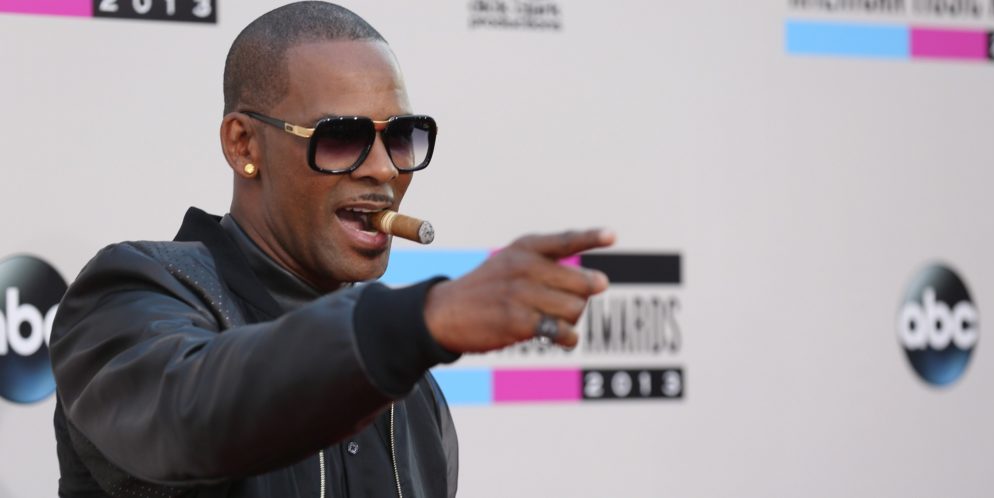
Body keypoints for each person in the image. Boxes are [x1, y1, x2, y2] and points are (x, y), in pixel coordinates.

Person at [49, 2, 614, 497]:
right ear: (244, 144)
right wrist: (421, 321)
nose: (384, 168)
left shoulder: (415, 394)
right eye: (341, 137)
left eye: (401, 136)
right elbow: (189, 416)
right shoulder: (129, 293)